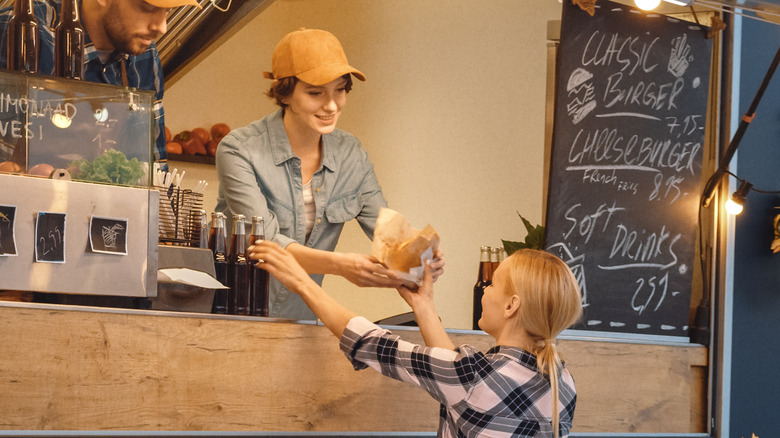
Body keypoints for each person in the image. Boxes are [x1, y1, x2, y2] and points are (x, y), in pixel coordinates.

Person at [214, 28, 444, 320]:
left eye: (340, 89)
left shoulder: (351, 154)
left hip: (303, 320)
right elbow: (266, 244)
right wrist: (341, 265)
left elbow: (387, 232)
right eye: (315, 93)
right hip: (232, 314)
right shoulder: (239, 150)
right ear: (284, 93)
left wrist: (420, 258)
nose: (332, 105)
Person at [249, 241, 583, 438]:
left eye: (492, 284)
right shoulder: (562, 382)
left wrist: (302, 282)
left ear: (512, 305)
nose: (485, 290)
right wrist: (423, 304)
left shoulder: (472, 375)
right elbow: (459, 379)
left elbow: (370, 342)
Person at [0, 0, 202, 171]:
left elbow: (153, 170)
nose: (162, 27)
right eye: (148, 8)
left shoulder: (145, 56)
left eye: (167, 11)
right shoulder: (22, 28)